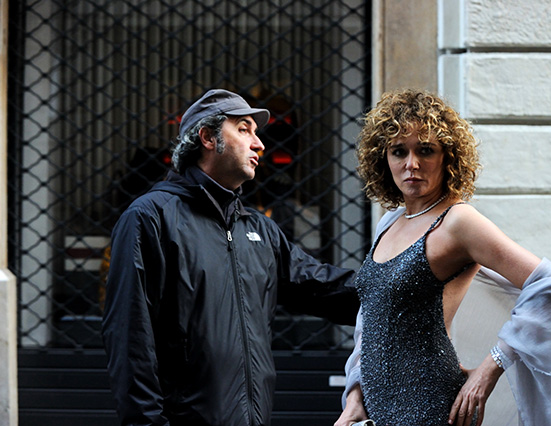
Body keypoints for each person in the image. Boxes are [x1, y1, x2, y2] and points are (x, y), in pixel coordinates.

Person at [101, 88, 359, 426]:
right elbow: (130, 339)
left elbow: (322, 288)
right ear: (208, 138)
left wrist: (405, 279)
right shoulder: (150, 218)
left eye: (256, 132)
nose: (259, 144)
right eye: (244, 129)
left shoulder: (259, 230)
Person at [334, 89, 551, 426]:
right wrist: (355, 397)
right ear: (382, 159)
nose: (411, 164)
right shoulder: (389, 222)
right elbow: (371, 321)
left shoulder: (459, 222)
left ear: (448, 157)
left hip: (431, 407)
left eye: (425, 150)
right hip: (377, 409)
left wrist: (491, 367)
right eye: (399, 151)